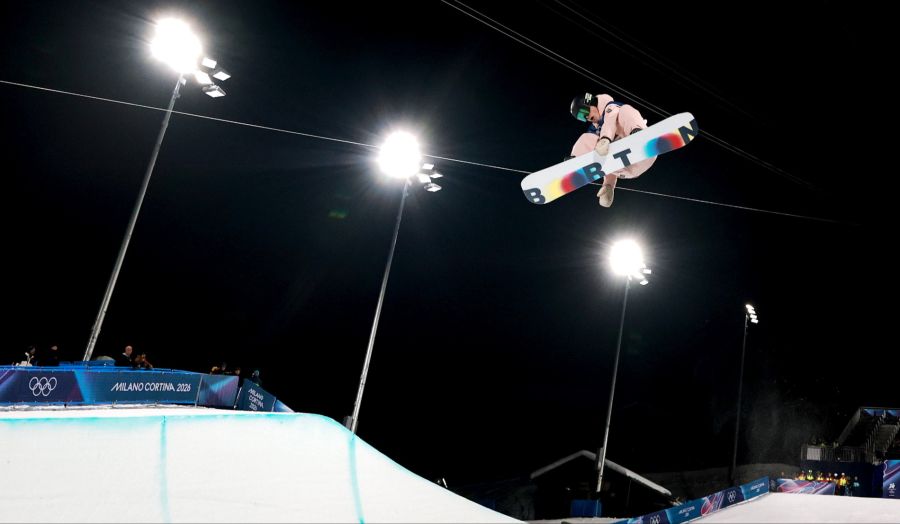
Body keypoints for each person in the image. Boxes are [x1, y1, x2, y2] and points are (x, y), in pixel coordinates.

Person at [569, 92, 656, 208]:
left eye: (584, 112)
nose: (587, 118)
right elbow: (609, 159)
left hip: (644, 151)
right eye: (581, 118)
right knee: (589, 139)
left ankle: (637, 133)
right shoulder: (595, 129)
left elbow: (609, 122)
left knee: (625, 110)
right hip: (626, 169)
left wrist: (605, 138)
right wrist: (608, 185)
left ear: (591, 102)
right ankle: (575, 162)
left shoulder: (610, 107)